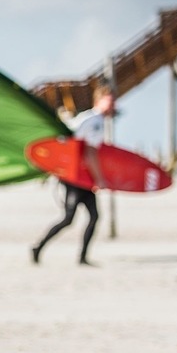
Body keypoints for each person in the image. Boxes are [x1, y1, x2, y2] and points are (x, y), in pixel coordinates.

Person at [31, 87, 116, 266]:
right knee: (69, 218)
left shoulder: (85, 118)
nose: (112, 105)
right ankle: (38, 247)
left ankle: (82, 257)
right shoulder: (95, 121)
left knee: (93, 216)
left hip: (81, 177)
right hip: (75, 178)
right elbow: (90, 153)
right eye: (109, 101)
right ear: (98, 101)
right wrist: (99, 178)